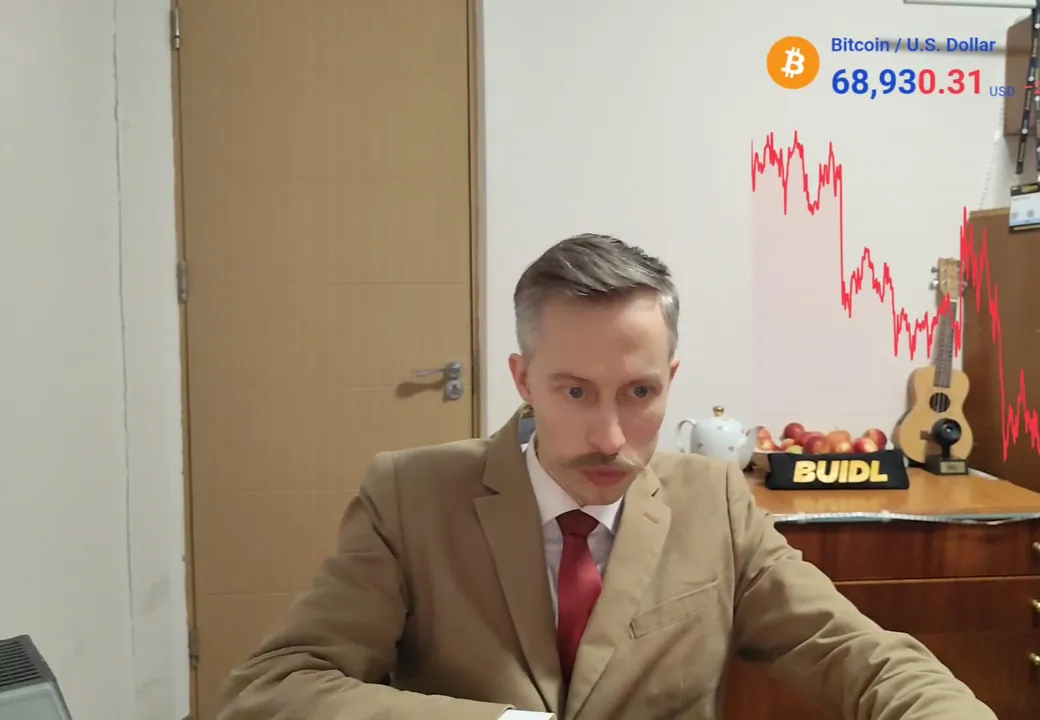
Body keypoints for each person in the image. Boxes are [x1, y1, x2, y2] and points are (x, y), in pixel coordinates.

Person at [218, 234, 997, 720]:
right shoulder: (410, 497)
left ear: (671, 378)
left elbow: (859, 655)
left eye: (640, 393)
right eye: (574, 392)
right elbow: (274, 688)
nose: (611, 437)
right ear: (523, 379)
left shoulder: (715, 502)